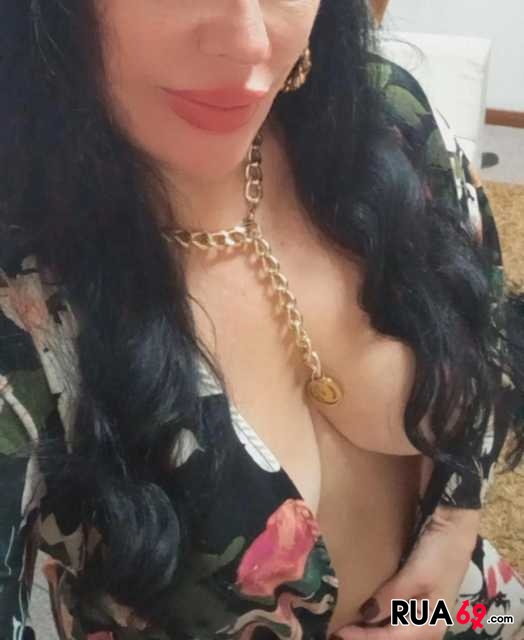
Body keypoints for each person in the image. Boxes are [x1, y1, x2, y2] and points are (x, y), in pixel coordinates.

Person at [1, 1, 524, 639]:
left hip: (465, 608)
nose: (250, 42)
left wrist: (450, 536)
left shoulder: (388, 119)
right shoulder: (22, 302)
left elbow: (487, 335)